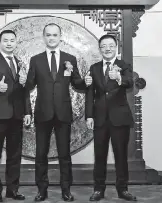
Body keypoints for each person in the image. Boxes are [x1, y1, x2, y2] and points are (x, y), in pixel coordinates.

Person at [24, 23, 93, 202]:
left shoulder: (70, 58)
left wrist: (85, 81)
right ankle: (41, 190)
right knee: (41, 154)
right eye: (48, 35)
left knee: (64, 155)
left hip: (63, 112)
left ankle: (66, 190)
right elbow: (30, 85)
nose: (51, 38)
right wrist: (23, 80)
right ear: (43, 37)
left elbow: (77, 83)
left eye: (55, 35)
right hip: (42, 112)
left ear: (60, 37)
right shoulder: (35, 59)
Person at [85, 34, 137, 201]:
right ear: (99, 49)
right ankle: (98, 189)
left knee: (120, 155)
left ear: (116, 47)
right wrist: (89, 115)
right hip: (99, 119)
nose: (107, 48)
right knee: (99, 155)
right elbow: (89, 94)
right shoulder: (94, 68)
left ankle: (123, 189)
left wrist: (119, 78)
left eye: (110, 45)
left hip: (119, 118)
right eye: (103, 46)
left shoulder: (123, 65)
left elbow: (130, 82)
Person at [0, 29, 31, 202]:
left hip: (17, 115)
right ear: (0, 42)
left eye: (12, 40)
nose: (9, 43)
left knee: (15, 154)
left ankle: (13, 189)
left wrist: (27, 112)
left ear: (16, 42)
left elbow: (24, 91)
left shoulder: (20, 63)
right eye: (6, 40)